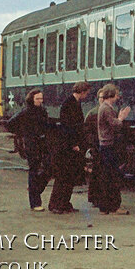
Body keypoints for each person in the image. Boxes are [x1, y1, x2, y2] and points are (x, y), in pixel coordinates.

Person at [49, 82, 90, 213]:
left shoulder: (75, 103)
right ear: (82, 91)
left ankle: (64, 203)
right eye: (87, 92)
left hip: (71, 146)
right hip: (67, 148)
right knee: (63, 176)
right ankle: (55, 204)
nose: (88, 94)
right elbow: (67, 126)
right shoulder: (69, 104)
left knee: (70, 176)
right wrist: (73, 144)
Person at [96, 84, 131, 215]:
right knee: (112, 176)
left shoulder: (104, 107)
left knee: (107, 176)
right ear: (111, 95)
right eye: (116, 95)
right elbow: (114, 125)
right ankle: (113, 206)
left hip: (105, 145)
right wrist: (121, 118)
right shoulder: (106, 108)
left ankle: (106, 206)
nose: (117, 97)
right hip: (108, 145)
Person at [20, 89, 50, 211]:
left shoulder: (43, 111)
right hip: (31, 145)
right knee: (34, 170)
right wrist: (24, 135)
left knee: (48, 168)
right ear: (32, 99)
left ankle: (35, 188)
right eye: (37, 99)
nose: (40, 101)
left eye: (41, 99)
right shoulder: (26, 112)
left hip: (42, 143)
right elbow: (11, 123)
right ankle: (35, 203)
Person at [83, 89, 105, 207]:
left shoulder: (109, 111)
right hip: (97, 145)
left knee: (101, 172)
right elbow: (87, 131)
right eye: (100, 97)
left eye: (104, 97)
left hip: (104, 144)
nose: (102, 99)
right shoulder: (92, 113)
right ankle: (94, 198)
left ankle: (99, 197)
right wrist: (91, 145)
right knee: (97, 171)